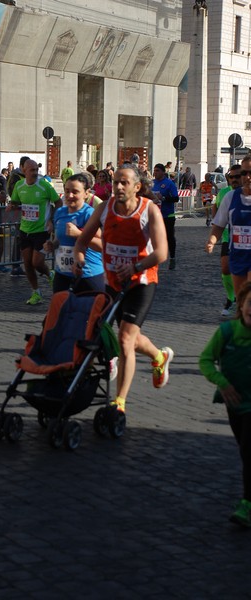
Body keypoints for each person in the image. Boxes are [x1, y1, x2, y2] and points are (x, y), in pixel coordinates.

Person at [74, 164, 173, 417]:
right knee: (129, 338)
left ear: (137, 187)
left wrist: (135, 266)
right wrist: (79, 257)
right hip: (114, 283)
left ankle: (119, 401)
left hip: (141, 282)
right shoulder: (104, 209)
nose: (118, 187)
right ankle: (159, 356)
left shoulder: (149, 211)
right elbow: (82, 240)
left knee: (125, 340)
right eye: (115, 182)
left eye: (124, 183)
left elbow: (162, 253)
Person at [199, 282, 251, 527]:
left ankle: (246, 504)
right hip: (234, 404)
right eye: (250, 303)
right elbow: (206, 360)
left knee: (249, 452)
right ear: (241, 305)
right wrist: (222, 382)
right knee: (244, 449)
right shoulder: (227, 332)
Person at [8, 159, 61, 305]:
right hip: (25, 230)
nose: (35, 173)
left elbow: (58, 202)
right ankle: (36, 292)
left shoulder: (44, 186)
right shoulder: (19, 186)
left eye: (36, 170)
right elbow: (16, 202)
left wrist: (52, 219)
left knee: (37, 262)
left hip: (41, 231)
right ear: (24, 171)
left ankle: (50, 273)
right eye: (31, 170)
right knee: (27, 264)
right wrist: (11, 205)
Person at [43, 173, 104, 293]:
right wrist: (52, 245)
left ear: (86, 193)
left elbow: (102, 245)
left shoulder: (89, 214)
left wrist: (78, 234)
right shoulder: (60, 212)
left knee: (92, 311)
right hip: (62, 273)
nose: (69, 195)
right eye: (67, 191)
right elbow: (60, 239)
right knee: (61, 309)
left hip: (87, 273)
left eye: (75, 192)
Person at [206, 155, 251, 299]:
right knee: (242, 301)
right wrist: (212, 241)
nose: (247, 177)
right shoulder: (230, 197)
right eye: (244, 173)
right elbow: (219, 224)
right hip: (238, 255)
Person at [211, 164, 242, 316]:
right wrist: (213, 234)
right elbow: (215, 207)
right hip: (228, 237)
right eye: (232, 177)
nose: (234, 179)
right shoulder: (225, 193)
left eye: (238, 176)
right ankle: (231, 298)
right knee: (225, 268)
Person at [152, 163, 179, 270]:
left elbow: (176, 198)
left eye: (158, 171)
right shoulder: (152, 183)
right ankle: (154, 258)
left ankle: (172, 257)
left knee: (169, 236)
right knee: (153, 237)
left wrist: (163, 198)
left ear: (163, 172)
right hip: (154, 215)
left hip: (167, 215)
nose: (155, 173)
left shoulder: (169, 184)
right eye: (154, 170)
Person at [7, 156, 30, 276]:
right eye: (25, 167)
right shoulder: (15, 177)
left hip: (29, 214)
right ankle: (16, 265)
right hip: (20, 212)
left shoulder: (28, 177)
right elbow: (12, 193)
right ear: (21, 166)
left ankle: (24, 264)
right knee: (19, 238)